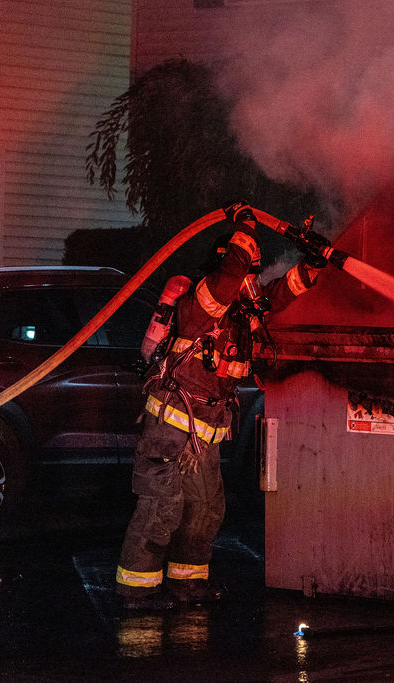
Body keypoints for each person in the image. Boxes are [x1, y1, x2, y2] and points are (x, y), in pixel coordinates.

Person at [115, 202, 325, 610]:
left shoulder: (238, 314)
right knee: (163, 507)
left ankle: (187, 585)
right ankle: (136, 592)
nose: (251, 283)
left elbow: (282, 292)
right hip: (169, 429)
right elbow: (229, 277)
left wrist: (313, 263)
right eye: (247, 273)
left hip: (203, 433)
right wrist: (246, 228)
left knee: (205, 510)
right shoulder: (200, 304)